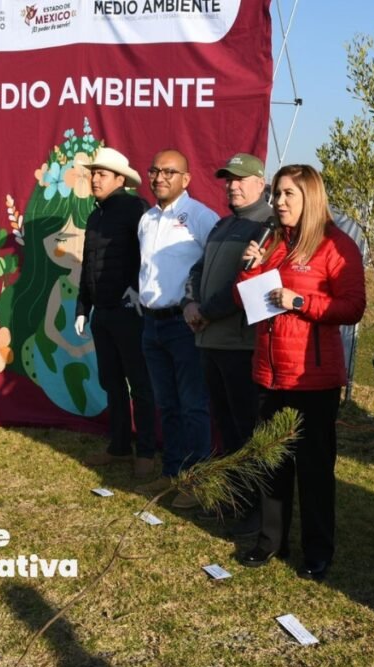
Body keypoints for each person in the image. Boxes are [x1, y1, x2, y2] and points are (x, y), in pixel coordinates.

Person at [236, 164, 366, 581]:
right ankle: (271, 540)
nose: (279, 202)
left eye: (288, 194)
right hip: (268, 372)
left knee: (313, 467)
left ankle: (317, 550)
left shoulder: (336, 246)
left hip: (312, 377)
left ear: (310, 197)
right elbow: (250, 302)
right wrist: (250, 267)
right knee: (272, 462)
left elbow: (353, 307)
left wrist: (300, 303)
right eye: (276, 194)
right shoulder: (273, 241)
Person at [182, 153, 272, 535]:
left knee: (246, 429)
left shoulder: (269, 225)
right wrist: (189, 302)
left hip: (240, 344)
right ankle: (233, 497)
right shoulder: (222, 224)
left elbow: (247, 284)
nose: (231, 185)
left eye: (239, 179)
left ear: (259, 182)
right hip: (210, 341)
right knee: (226, 428)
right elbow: (198, 269)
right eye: (227, 180)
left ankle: (256, 511)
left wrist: (206, 310)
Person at [134, 149, 219, 508]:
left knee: (192, 406)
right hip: (151, 324)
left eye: (170, 172)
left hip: (184, 326)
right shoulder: (147, 220)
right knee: (166, 405)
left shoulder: (201, 217)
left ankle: (197, 482)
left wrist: (202, 308)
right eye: (155, 171)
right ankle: (171, 473)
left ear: (186, 179)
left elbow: (216, 267)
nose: (160, 177)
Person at [73, 146, 157, 478]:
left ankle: (147, 450)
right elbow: (88, 265)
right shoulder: (95, 215)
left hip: (130, 312)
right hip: (102, 313)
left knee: (140, 382)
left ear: (119, 179)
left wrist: (138, 289)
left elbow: (152, 253)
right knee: (111, 382)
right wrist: (83, 306)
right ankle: (119, 446)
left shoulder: (137, 208)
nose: (95, 179)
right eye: (93, 173)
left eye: (102, 174)